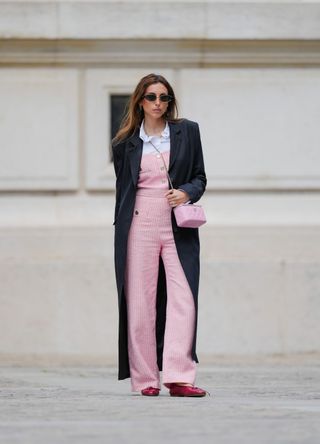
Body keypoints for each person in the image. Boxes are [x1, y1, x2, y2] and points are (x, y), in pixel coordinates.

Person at [112, 73, 207, 397]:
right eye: (151, 97)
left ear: (170, 101)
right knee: (140, 302)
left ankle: (180, 377)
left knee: (184, 299)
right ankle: (146, 378)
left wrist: (186, 193)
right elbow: (123, 191)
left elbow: (199, 177)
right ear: (140, 100)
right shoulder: (125, 143)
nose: (158, 103)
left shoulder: (187, 131)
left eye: (164, 97)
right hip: (139, 223)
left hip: (177, 224)